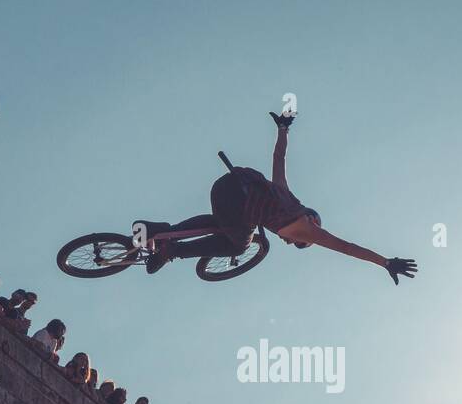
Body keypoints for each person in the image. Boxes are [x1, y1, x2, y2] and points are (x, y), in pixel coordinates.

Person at [146, 112, 417, 285]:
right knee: (240, 244)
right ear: (313, 223)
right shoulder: (305, 226)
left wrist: (283, 129)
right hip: (236, 199)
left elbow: (279, 158)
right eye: (300, 243)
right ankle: (173, 250)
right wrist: (385, 262)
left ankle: (162, 232)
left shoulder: (283, 192)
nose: (291, 242)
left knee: (228, 225)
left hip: (227, 185)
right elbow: (346, 247)